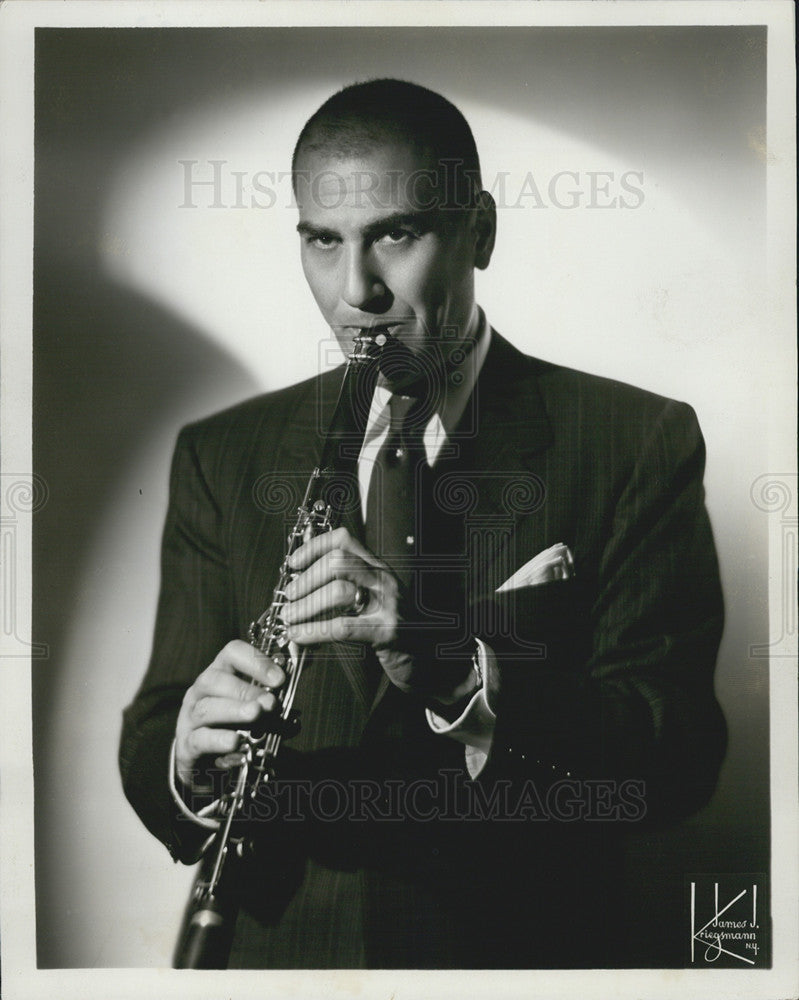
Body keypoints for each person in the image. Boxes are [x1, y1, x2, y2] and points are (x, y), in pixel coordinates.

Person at [119, 78, 727, 969]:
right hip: (276, 957)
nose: (355, 291)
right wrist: (189, 758)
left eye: (394, 234)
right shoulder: (224, 453)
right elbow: (153, 729)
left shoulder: (635, 441)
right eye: (323, 241)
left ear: (478, 229)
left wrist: (448, 664)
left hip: (510, 961)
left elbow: (674, 764)